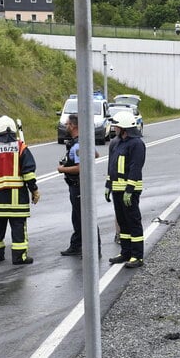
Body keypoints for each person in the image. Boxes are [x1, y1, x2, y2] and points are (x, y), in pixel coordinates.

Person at [0, 115, 40, 265]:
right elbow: (29, 173)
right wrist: (34, 190)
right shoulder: (21, 147)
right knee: (18, 232)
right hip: (17, 203)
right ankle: (19, 258)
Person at [106, 110, 146, 268]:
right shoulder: (115, 143)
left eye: (116, 126)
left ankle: (137, 256)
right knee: (122, 222)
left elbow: (136, 168)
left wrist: (129, 189)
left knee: (133, 222)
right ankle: (125, 252)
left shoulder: (136, 144)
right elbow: (111, 166)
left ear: (124, 128)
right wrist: (108, 185)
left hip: (130, 191)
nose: (114, 128)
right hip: (117, 189)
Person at [57, 114, 101, 257]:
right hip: (77, 185)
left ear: (74, 126)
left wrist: (62, 169)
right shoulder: (83, 141)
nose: (66, 126)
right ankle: (76, 245)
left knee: (85, 217)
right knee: (77, 217)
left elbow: (80, 167)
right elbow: (96, 154)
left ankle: (94, 250)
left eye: (67, 124)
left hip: (79, 185)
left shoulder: (78, 145)